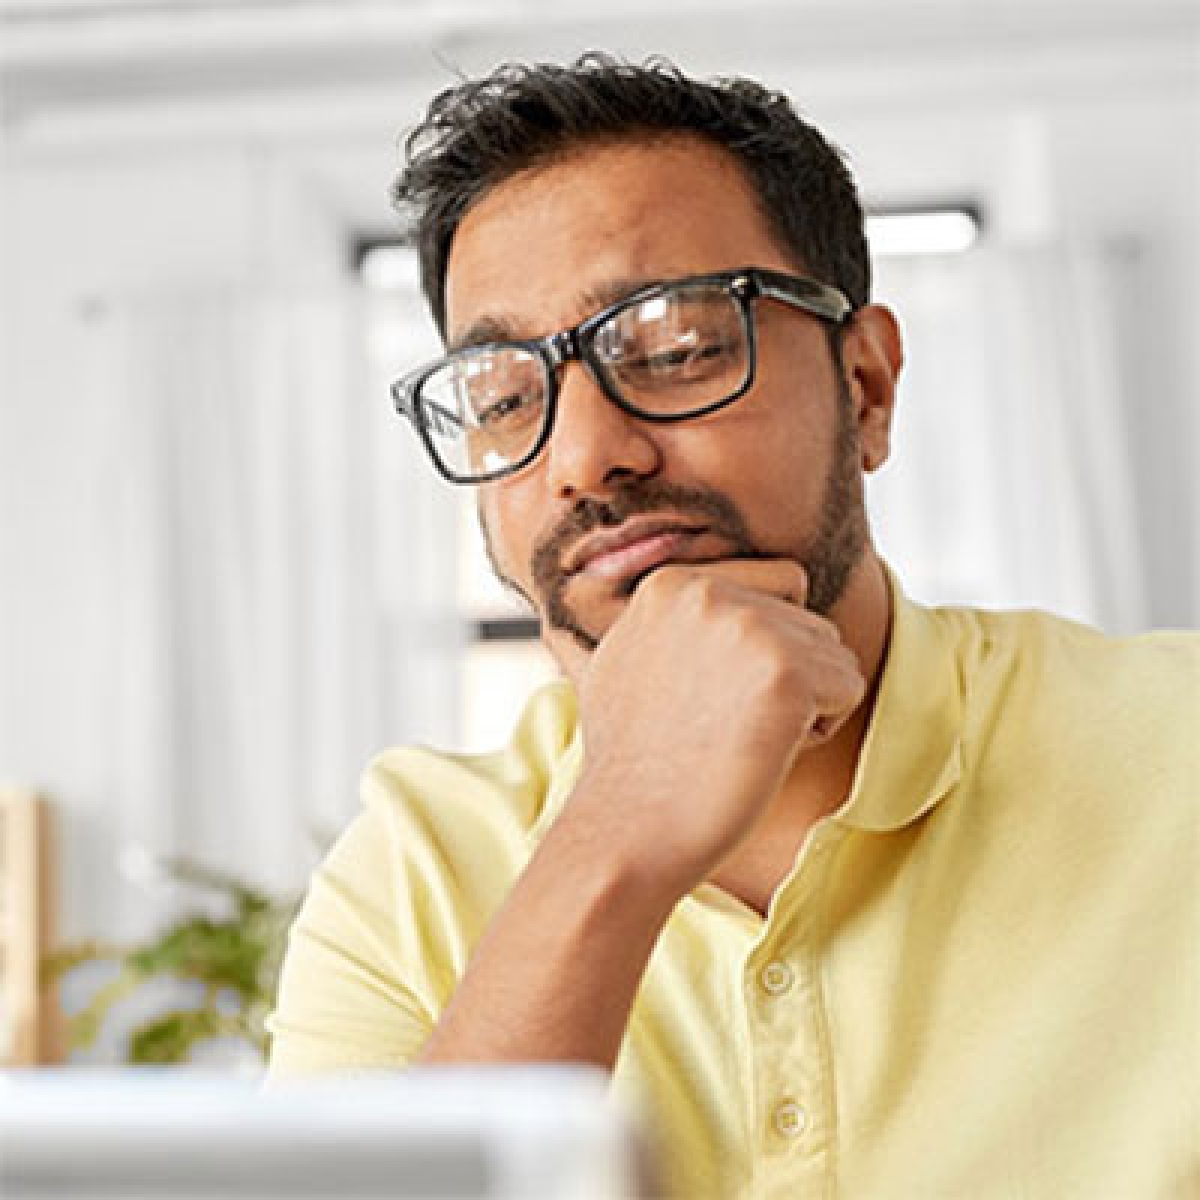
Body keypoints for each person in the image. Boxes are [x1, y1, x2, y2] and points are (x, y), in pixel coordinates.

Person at [268, 55, 1199, 1199]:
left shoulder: (1180, 746)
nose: (584, 456)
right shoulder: (412, 866)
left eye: (676, 348)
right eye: (504, 397)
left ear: (865, 386)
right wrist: (615, 832)